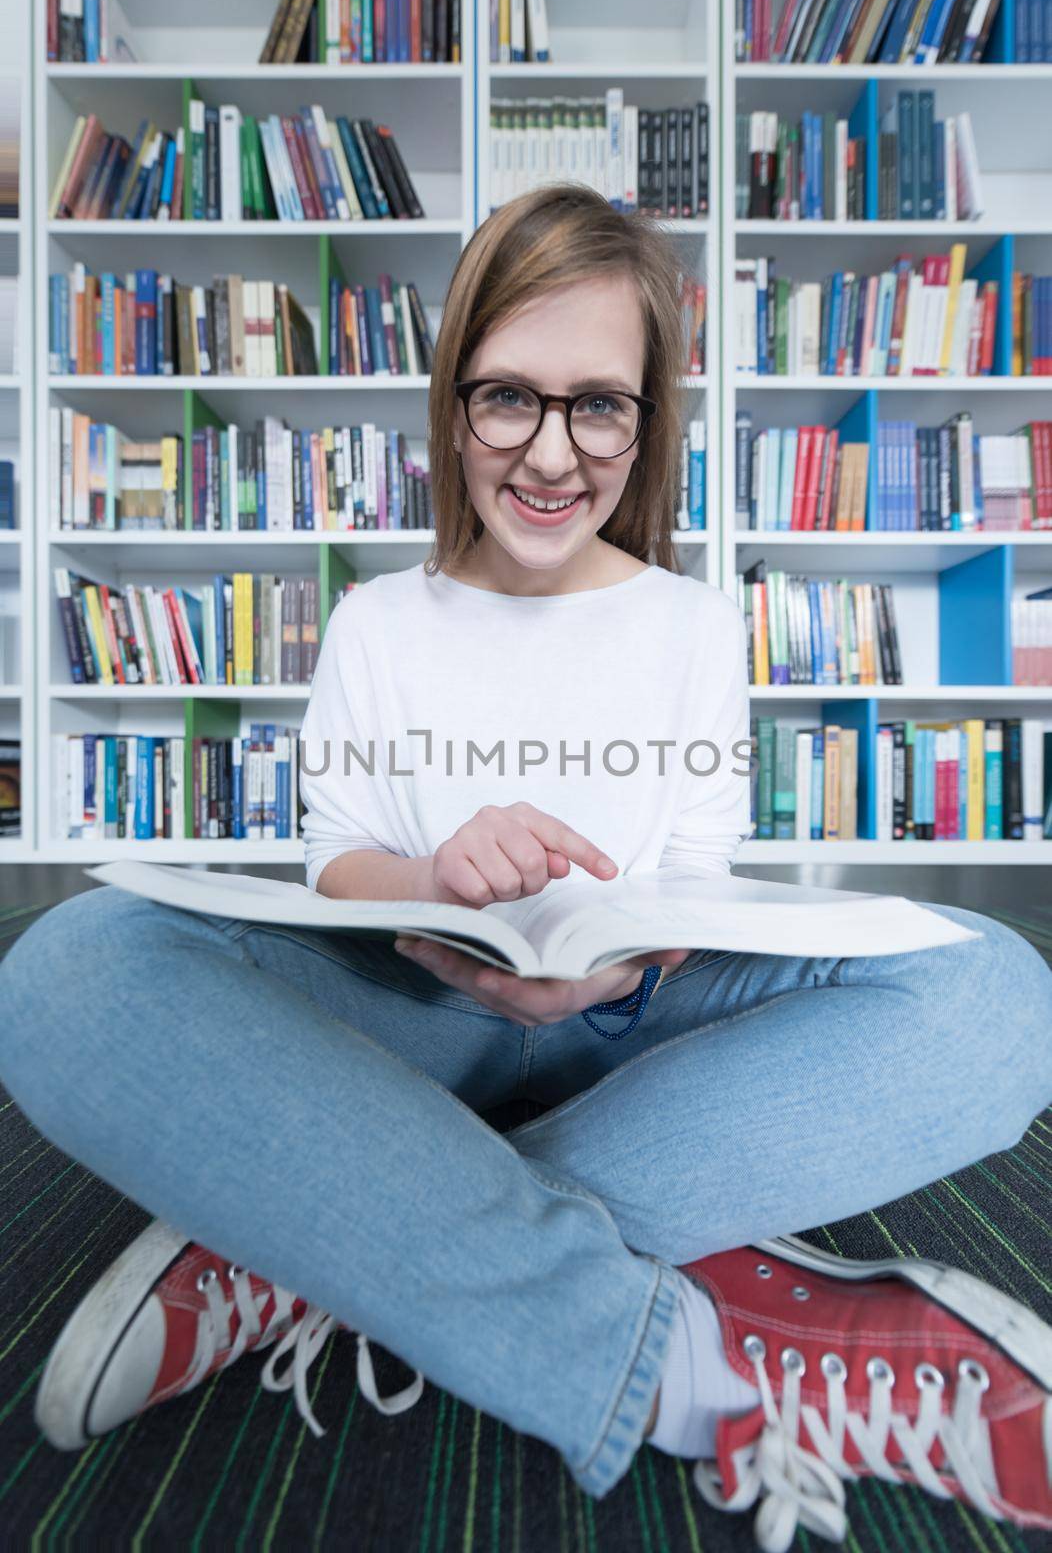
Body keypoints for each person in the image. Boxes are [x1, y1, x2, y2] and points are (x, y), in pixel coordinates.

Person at [2, 183, 1052, 1552]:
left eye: (598, 404)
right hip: (412, 1013)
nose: (552, 452)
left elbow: (697, 873)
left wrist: (633, 950)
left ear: (645, 420)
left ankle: (314, 1231)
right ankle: (660, 1350)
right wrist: (434, 880)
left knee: (999, 996)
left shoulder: (688, 623)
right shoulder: (380, 620)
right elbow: (337, 866)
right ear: (454, 408)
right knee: (67, 973)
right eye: (510, 398)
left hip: (635, 1026)